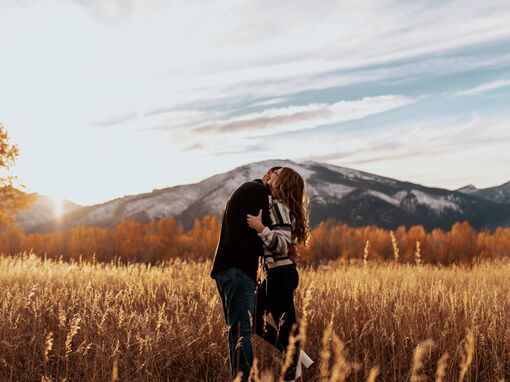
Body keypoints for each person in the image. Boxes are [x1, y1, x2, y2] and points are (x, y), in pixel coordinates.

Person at [210, 166, 281, 381]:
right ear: (268, 175)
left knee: (238, 331)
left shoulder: (249, 191)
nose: (283, 185)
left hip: (229, 269)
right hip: (238, 271)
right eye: (280, 178)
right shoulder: (257, 191)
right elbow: (261, 231)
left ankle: (239, 377)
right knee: (242, 334)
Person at [247, 167, 313, 382]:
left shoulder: (279, 207)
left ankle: (292, 371)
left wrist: (260, 228)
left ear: (282, 183)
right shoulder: (276, 205)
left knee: (286, 329)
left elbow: (283, 244)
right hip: (277, 274)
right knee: (255, 319)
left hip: (281, 274)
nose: (270, 175)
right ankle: (297, 357)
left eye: (276, 174)